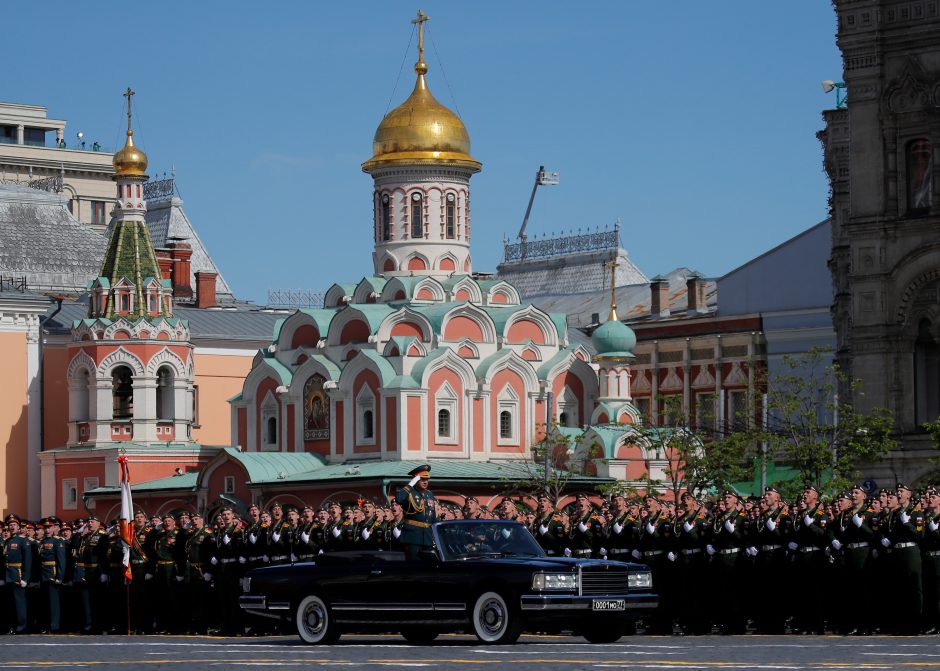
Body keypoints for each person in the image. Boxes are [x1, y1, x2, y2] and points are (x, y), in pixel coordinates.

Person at [395, 464, 437, 559]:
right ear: (416, 479)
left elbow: (432, 516)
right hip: (412, 537)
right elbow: (398, 499)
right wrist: (410, 484)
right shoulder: (409, 493)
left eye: (427, 479)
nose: (425, 482)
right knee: (413, 566)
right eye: (422, 479)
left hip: (427, 537)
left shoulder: (429, 494)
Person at [4, 515, 31, 634]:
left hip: (18, 575)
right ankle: (12, 626)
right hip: (8, 575)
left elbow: (28, 561)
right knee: (10, 604)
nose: (11, 527)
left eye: (14, 525)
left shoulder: (23, 541)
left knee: (19, 603)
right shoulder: (8, 541)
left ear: (19, 527)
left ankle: (21, 627)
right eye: (10, 525)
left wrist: (25, 578)